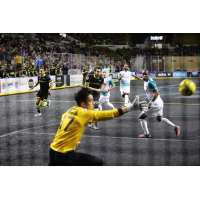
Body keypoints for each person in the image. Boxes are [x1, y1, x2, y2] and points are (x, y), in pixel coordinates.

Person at [48, 87, 142, 166]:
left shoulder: (70, 110)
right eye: (91, 101)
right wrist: (130, 107)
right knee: (97, 162)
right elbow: (110, 114)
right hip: (64, 155)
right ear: (83, 104)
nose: (94, 103)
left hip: (52, 152)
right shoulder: (85, 113)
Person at [133, 69, 180, 138]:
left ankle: (147, 133)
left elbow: (156, 93)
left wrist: (150, 103)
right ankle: (175, 127)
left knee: (141, 117)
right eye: (143, 74)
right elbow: (143, 79)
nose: (144, 75)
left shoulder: (151, 82)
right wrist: (138, 78)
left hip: (155, 103)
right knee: (159, 119)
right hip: (160, 102)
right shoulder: (146, 80)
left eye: (145, 74)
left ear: (149, 74)